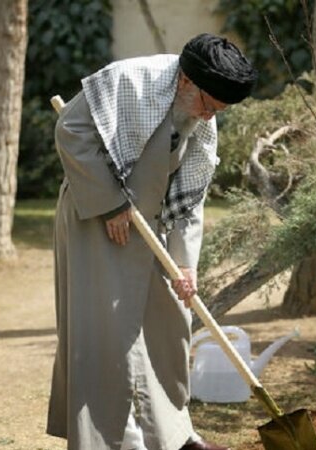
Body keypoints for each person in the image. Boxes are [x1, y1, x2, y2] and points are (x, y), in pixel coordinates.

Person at [46, 33, 257, 450]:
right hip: (98, 220)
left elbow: (190, 195)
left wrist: (185, 263)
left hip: (155, 226)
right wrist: (110, 203)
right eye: (208, 106)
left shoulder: (201, 115)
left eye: (218, 111)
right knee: (106, 335)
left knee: (169, 326)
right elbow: (70, 130)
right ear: (185, 81)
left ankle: (174, 436)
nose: (209, 117)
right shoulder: (128, 80)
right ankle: (115, 442)